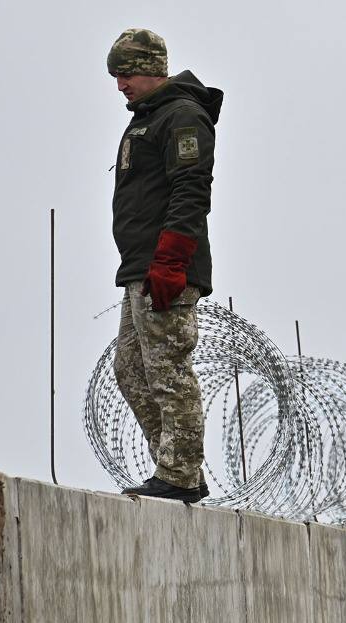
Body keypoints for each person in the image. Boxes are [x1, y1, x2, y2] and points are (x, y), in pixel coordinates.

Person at [106, 28, 223, 503]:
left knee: (168, 370)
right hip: (141, 266)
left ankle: (178, 474)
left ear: (153, 68)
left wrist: (172, 259)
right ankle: (175, 469)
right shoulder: (147, 119)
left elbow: (192, 189)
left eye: (126, 73)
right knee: (131, 368)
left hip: (166, 266)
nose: (120, 85)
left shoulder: (182, 116)